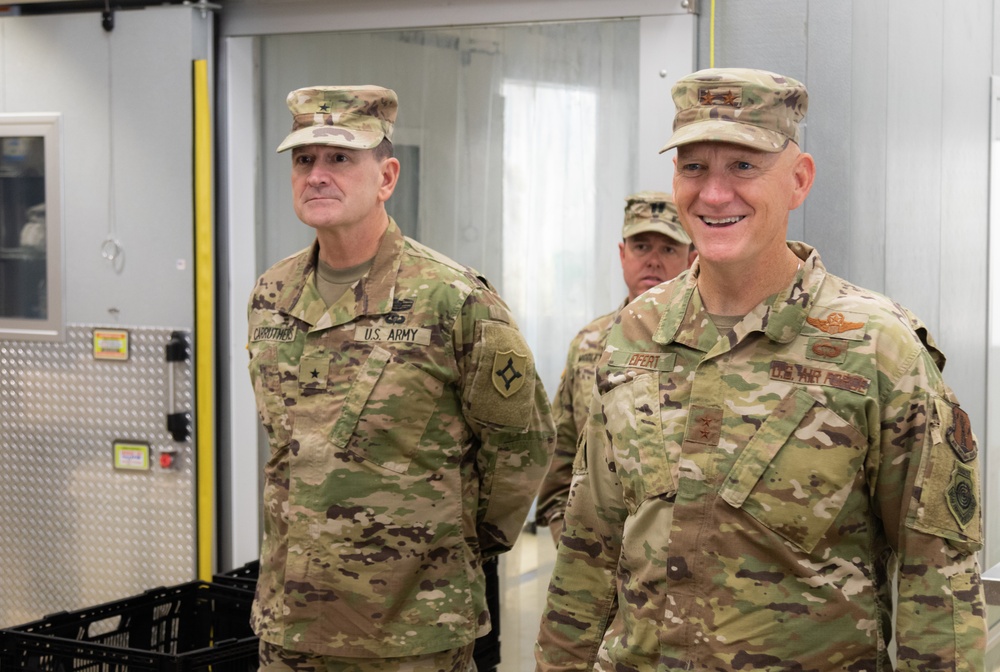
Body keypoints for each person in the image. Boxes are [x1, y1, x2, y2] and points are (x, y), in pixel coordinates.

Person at [535, 68, 986, 670]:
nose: (715, 194)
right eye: (694, 167)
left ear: (799, 181)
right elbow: (590, 545)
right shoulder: (632, 334)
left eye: (744, 166)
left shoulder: (878, 349)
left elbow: (940, 578)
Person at [247, 84, 555, 672]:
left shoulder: (453, 298)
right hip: (291, 622)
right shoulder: (272, 294)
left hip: (414, 629)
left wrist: (458, 546)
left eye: (340, 158)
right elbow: (288, 450)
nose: (317, 175)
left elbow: (521, 449)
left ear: (386, 177)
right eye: (304, 159)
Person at [534, 191, 695, 545]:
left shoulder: (709, 347)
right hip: (595, 562)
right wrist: (574, 542)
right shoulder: (589, 343)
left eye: (668, 249)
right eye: (641, 247)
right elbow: (558, 461)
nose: (653, 261)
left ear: (691, 258)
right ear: (622, 255)